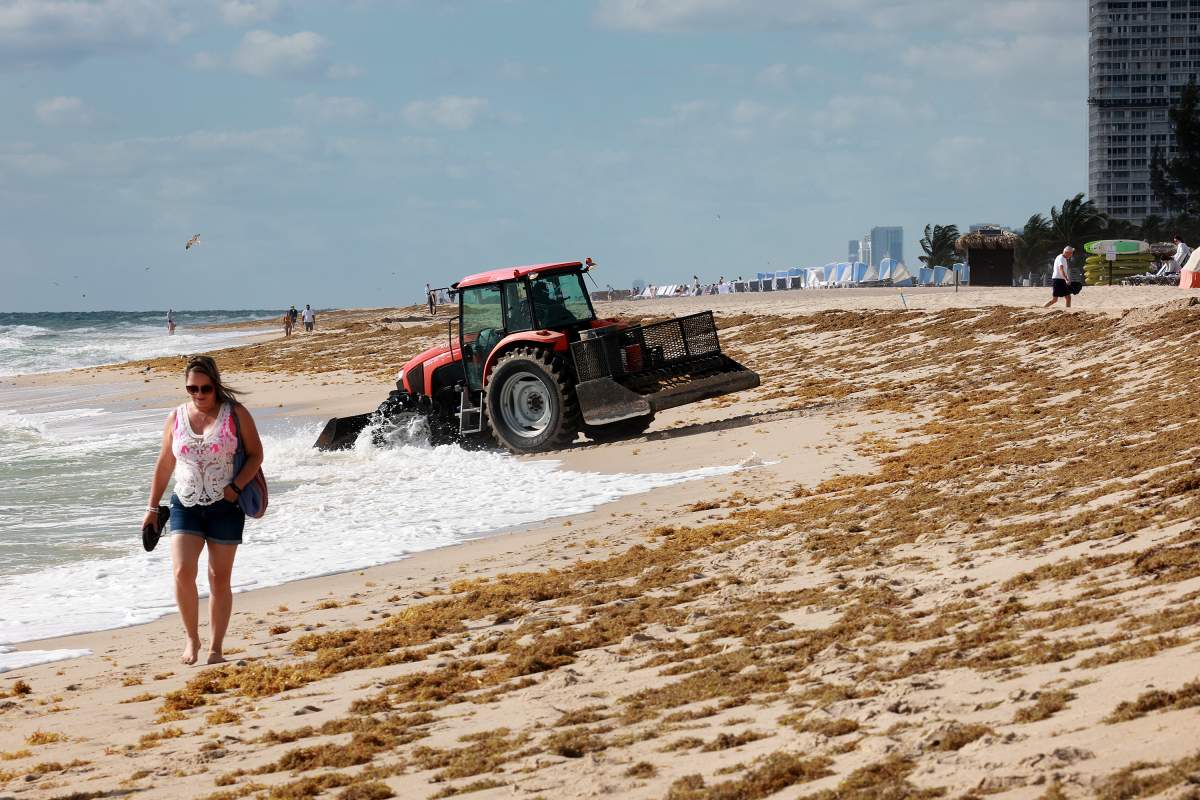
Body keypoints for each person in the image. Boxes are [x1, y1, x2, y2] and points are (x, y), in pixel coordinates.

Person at [143, 355, 262, 666]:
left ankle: (216, 648)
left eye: (205, 388)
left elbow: (255, 455)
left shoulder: (235, 414)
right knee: (183, 572)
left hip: (226, 505)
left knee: (218, 578)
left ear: (216, 385)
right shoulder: (176, 417)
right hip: (185, 503)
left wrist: (234, 488)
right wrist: (152, 508)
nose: (198, 395)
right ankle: (191, 638)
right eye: (191, 389)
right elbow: (165, 463)